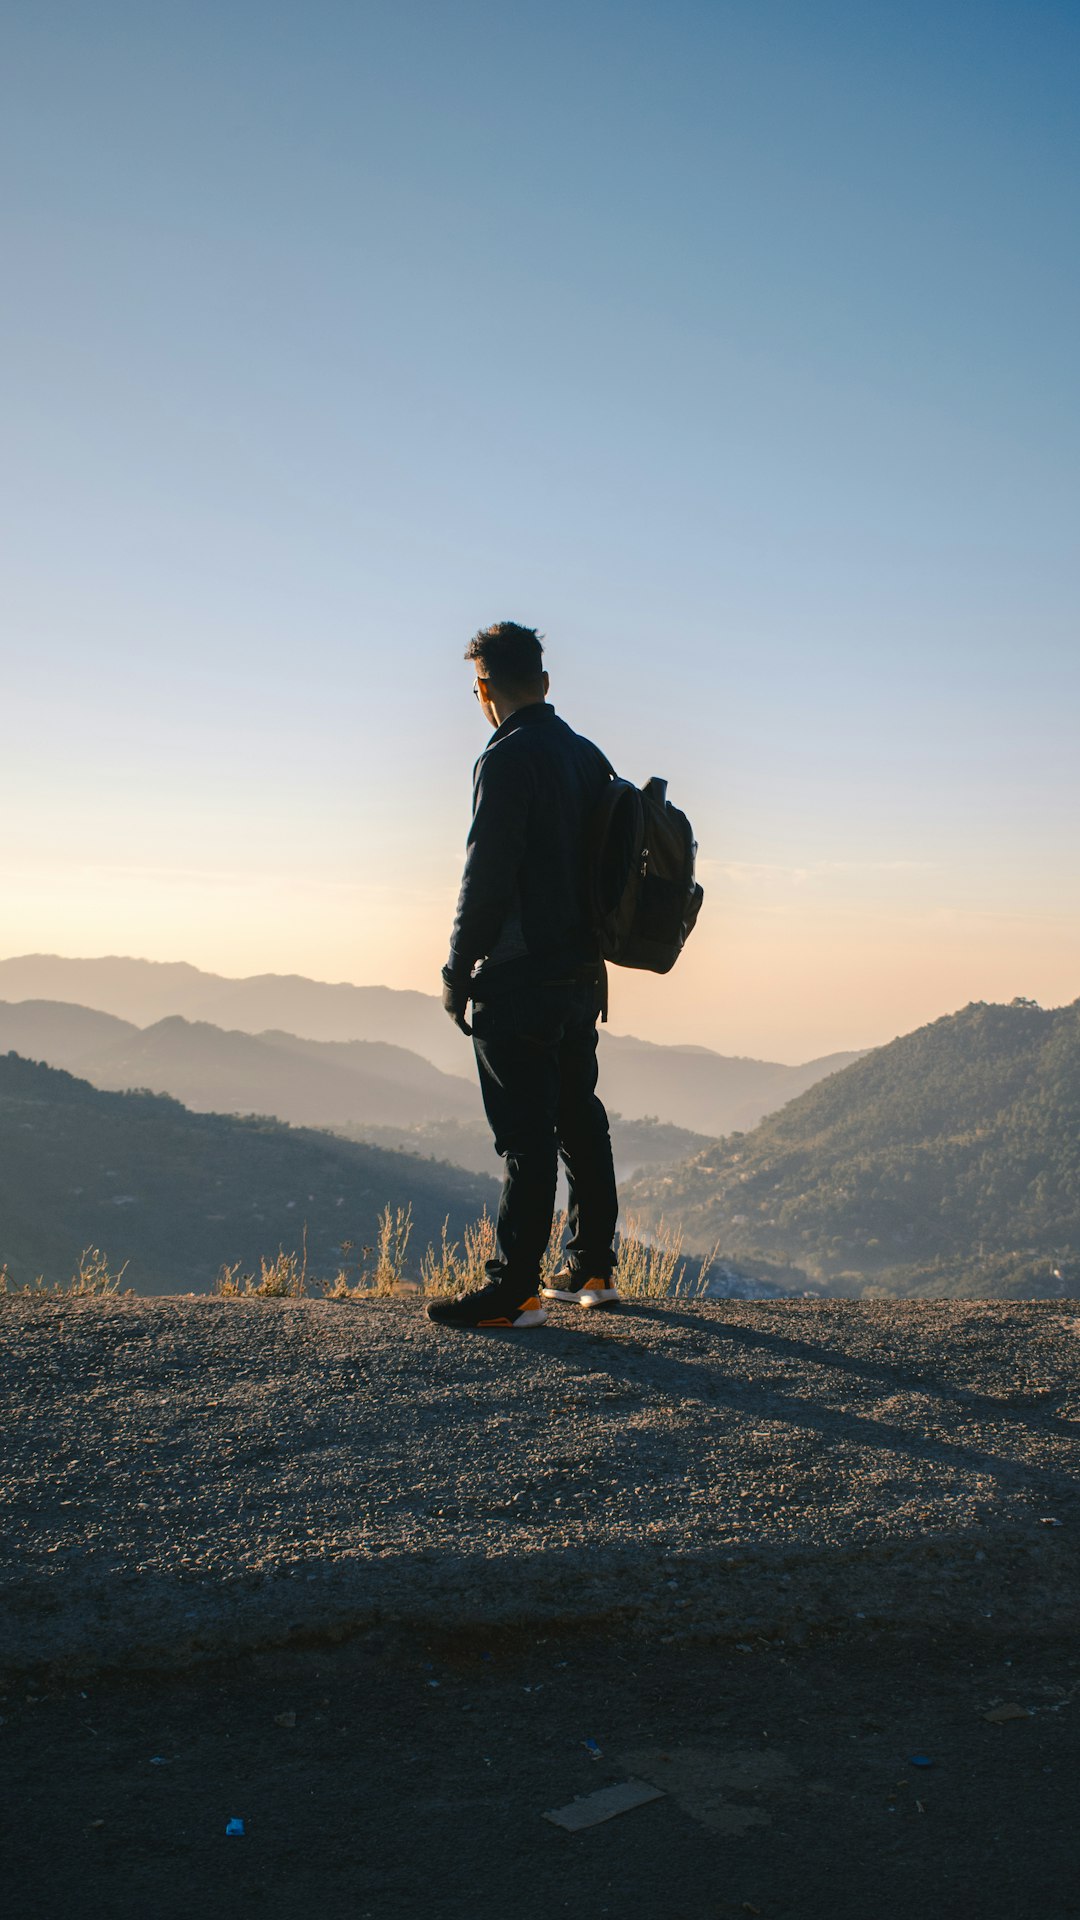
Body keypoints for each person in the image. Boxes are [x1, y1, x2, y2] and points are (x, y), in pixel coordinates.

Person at [427, 622, 621, 1330]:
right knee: (579, 1118)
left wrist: (457, 968)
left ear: (482, 690)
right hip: (582, 977)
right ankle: (591, 1266)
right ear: (543, 681)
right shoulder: (585, 755)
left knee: (524, 1135)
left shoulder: (506, 757)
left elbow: (487, 873)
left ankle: (515, 1290)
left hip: (518, 977)